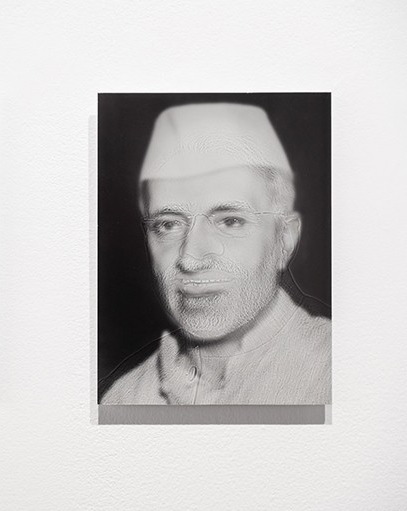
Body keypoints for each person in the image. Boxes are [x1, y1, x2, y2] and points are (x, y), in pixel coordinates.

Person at [100, 103, 331, 405]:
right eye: (168, 224)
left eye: (230, 221)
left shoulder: (339, 373)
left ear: (284, 239)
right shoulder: (124, 399)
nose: (190, 259)